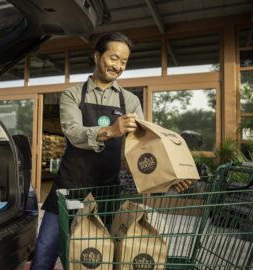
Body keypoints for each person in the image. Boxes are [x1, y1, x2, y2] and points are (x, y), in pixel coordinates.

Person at [30, 32, 191, 270]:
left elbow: (144, 148)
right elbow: (74, 132)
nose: (118, 66)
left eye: (123, 62)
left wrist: (171, 176)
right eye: (113, 58)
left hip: (107, 192)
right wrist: (112, 131)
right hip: (70, 186)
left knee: (96, 257)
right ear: (97, 56)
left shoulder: (130, 102)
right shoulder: (72, 95)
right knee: (45, 250)